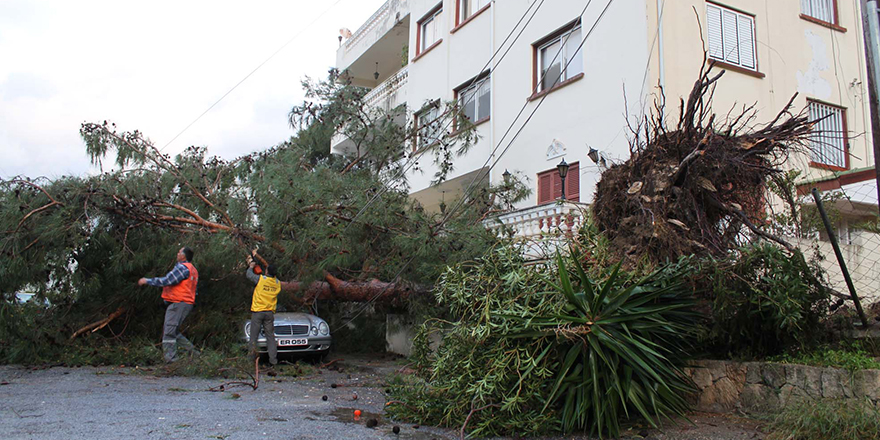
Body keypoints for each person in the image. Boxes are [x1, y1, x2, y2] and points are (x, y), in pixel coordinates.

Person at [138, 247, 199, 363]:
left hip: (178, 303)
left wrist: (147, 281)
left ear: (183, 256)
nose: (177, 253)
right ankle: (195, 356)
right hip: (184, 303)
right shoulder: (192, 269)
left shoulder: (182, 268)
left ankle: (171, 360)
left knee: (169, 333)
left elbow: (167, 281)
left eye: (179, 252)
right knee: (173, 332)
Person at [246, 256, 282, 368]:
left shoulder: (261, 279)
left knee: (253, 337)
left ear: (267, 271)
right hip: (269, 313)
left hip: (258, 311)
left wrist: (251, 266)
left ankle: (250, 362)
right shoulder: (277, 283)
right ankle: (273, 361)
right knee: (270, 337)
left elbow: (249, 275)